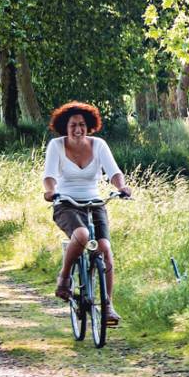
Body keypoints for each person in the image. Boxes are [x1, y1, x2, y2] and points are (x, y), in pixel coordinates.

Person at [42, 101, 132, 326]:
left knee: (104, 247)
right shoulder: (56, 145)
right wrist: (50, 191)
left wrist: (122, 187)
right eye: (73, 125)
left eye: (82, 124)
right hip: (65, 202)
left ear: (89, 126)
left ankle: (108, 305)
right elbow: (50, 175)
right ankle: (64, 278)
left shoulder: (99, 145)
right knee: (81, 235)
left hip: (95, 202)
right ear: (65, 126)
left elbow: (114, 172)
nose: (77, 129)